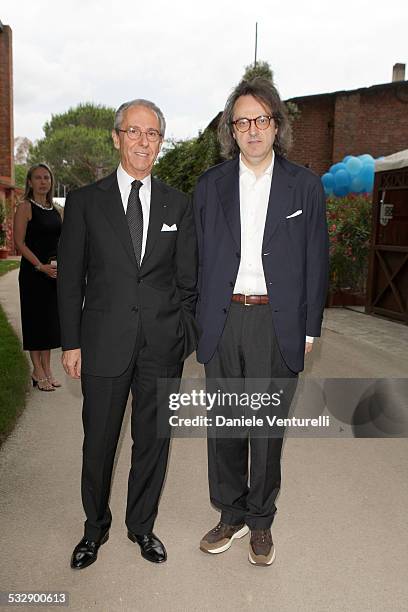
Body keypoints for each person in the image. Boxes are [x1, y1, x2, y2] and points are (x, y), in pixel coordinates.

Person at [57, 98, 198, 569]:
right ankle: (93, 529)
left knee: (153, 442)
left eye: (153, 133)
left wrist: (184, 336)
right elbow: (71, 278)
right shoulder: (84, 202)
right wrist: (71, 342)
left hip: (162, 346)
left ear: (160, 142)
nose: (143, 141)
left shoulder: (179, 203)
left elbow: (188, 280)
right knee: (98, 442)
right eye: (134, 131)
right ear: (117, 137)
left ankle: (142, 526)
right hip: (102, 344)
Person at [194, 78, 329, 566]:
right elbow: (195, 261)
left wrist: (310, 327)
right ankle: (230, 515)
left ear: (277, 125)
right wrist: (198, 320)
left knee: (267, 426)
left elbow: (317, 261)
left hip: (277, 321)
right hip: (225, 318)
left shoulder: (304, 186)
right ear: (232, 130)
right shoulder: (209, 187)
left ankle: (261, 522)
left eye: (262, 120)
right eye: (242, 121)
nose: (252, 130)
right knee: (227, 422)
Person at [14, 163, 62, 392]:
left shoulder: (54, 209)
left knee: (49, 324)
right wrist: (39, 266)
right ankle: (37, 370)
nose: (43, 181)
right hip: (34, 273)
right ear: (30, 182)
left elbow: (59, 241)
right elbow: (19, 243)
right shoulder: (25, 207)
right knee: (35, 323)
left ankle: (47, 369)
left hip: (53, 273)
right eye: (38, 178)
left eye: (46, 178)